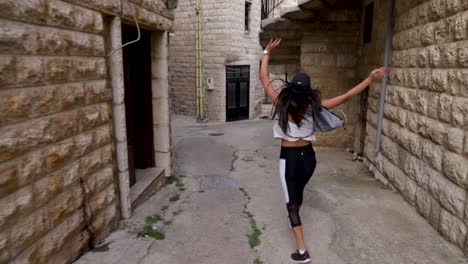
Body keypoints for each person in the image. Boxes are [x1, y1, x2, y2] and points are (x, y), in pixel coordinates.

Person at [260, 38, 386, 263]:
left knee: (291, 204)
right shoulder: (314, 106)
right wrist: (369, 78)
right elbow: (347, 95)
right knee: (297, 195)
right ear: (308, 91)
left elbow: (263, 77)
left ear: (290, 90)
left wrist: (267, 51)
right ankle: (296, 209)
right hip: (309, 158)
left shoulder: (280, 102)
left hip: (288, 159)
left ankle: (302, 252)